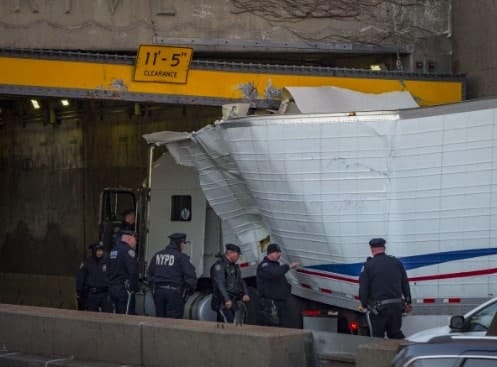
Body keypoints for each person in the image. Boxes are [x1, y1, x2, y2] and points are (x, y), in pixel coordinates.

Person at [359, 238, 412, 339]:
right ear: (384, 247)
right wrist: (408, 302)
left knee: (377, 337)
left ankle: (379, 355)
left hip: (379, 309)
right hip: (396, 306)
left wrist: (364, 304)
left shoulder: (368, 265)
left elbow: (363, 288)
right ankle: (406, 352)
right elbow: (405, 283)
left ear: (372, 249)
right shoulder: (396, 262)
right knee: (395, 333)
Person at [147, 233, 197, 318]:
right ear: (179, 243)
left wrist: (153, 287)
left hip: (158, 292)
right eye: (183, 243)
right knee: (173, 322)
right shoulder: (181, 257)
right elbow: (191, 275)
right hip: (174, 293)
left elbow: (149, 273)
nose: (183, 246)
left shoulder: (158, 255)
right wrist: (189, 291)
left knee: (160, 320)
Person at [256, 243, 299, 327]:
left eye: (279, 252)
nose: (279, 254)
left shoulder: (275, 265)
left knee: (284, 324)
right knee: (273, 326)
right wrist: (288, 266)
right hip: (271, 303)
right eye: (277, 252)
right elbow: (275, 273)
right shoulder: (264, 265)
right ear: (271, 253)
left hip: (281, 301)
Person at [210, 244, 250, 323]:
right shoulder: (220, 265)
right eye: (237, 254)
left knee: (236, 323)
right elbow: (220, 284)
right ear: (230, 253)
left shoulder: (234, 266)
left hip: (233, 301)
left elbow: (241, 281)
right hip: (223, 302)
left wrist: (246, 293)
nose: (238, 257)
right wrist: (227, 299)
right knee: (228, 323)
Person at [107, 229, 139, 314]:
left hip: (113, 288)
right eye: (135, 240)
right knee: (126, 315)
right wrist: (134, 288)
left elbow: (108, 269)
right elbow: (133, 271)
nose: (136, 243)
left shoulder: (113, 250)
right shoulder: (128, 251)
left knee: (115, 314)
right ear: (129, 239)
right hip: (124, 289)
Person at [75, 241, 112, 312]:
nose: (99, 253)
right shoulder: (87, 263)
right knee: (92, 316)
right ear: (94, 251)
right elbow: (81, 278)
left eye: (101, 250)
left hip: (105, 294)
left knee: (108, 315)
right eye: (98, 250)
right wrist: (79, 292)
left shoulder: (107, 261)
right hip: (92, 295)